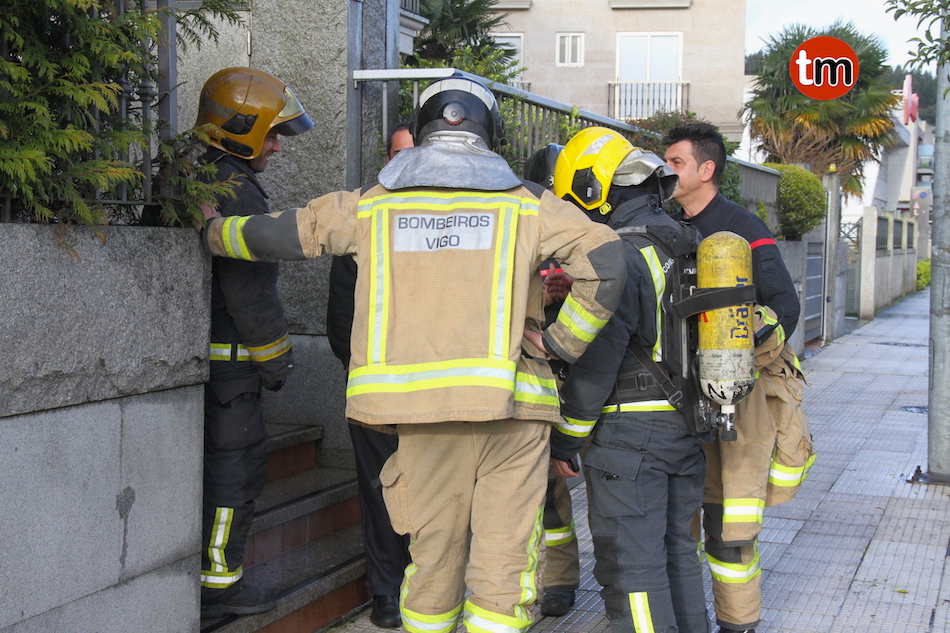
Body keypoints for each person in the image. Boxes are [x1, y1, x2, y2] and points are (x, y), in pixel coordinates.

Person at [202, 73, 626, 633]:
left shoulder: (371, 205)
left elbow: (285, 234)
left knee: (432, 562)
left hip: (422, 419)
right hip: (513, 412)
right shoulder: (529, 205)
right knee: (504, 569)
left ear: (423, 130)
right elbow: (608, 262)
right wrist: (560, 342)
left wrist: (213, 231)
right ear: (490, 132)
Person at [547, 126, 711, 633]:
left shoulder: (618, 254)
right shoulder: (687, 241)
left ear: (592, 191)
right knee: (678, 553)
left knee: (632, 570)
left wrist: (566, 439)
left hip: (629, 437)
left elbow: (598, 363)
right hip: (688, 424)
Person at [663, 122, 815, 633]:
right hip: (676, 395)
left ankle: (738, 622)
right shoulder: (664, 225)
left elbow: (784, 308)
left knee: (728, 528)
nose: (667, 171)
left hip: (735, 397)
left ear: (707, 169)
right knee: (677, 521)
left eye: (677, 162)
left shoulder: (742, 228)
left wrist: (734, 349)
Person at [194, 67, 314, 618]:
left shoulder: (198, 175)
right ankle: (220, 588)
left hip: (205, 366)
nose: (277, 148)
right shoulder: (235, 188)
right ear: (240, 131)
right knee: (234, 475)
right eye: (271, 136)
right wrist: (277, 361)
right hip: (232, 373)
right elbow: (250, 288)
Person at [325, 121, 415, 629]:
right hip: (376, 392)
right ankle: (386, 594)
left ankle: (423, 589)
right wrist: (356, 369)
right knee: (381, 494)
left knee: (428, 493)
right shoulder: (366, 214)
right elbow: (341, 312)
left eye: (414, 153)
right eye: (397, 154)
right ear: (385, 160)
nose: (405, 163)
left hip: (434, 390)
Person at [523, 143, 581, 618]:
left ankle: (574, 577)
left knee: (585, 491)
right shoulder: (517, 226)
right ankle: (553, 579)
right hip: (536, 379)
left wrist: (569, 291)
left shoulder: (586, 230)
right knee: (544, 492)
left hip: (583, 378)